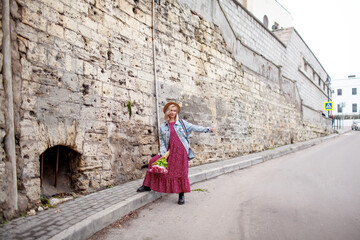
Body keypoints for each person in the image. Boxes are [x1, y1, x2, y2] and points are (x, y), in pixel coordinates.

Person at [137, 102, 214, 205]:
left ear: (176, 112)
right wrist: (163, 153)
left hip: (181, 151)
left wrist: (208, 129)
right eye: (171, 110)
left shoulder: (182, 123)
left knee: (180, 172)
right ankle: (147, 185)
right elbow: (162, 141)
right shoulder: (163, 126)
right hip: (169, 151)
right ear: (167, 112)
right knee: (153, 161)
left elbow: (195, 127)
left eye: (174, 111)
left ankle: (181, 195)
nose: (173, 112)